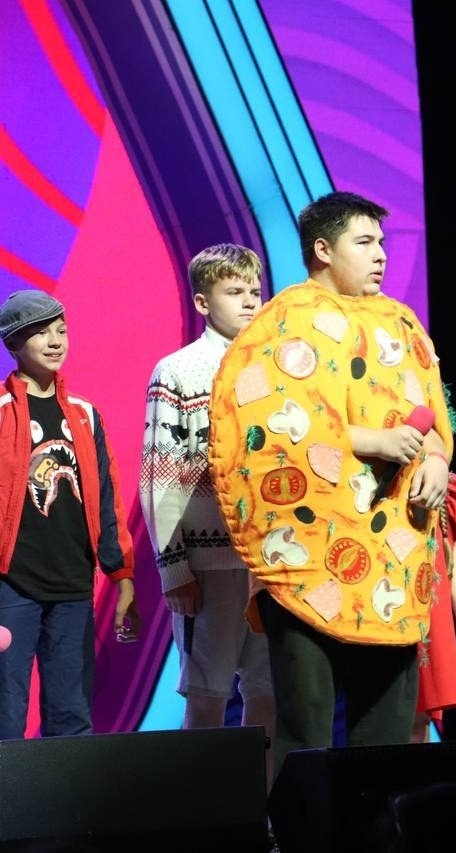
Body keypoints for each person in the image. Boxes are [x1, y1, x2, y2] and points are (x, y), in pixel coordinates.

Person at [206, 191, 455, 778]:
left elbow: (433, 414)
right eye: (364, 242)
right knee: (306, 729)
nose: (381, 255)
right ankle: (303, 824)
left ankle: (378, 825)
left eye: (382, 243)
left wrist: (437, 460)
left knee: (385, 733)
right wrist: (371, 440)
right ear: (322, 249)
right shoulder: (283, 322)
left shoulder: (402, 324)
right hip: (309, 557)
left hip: (392, 556)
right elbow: (265, 425)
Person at [138, 244, 275, 775]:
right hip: (208, 567)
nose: (249, 301)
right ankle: (204, 811)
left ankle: (264, 808)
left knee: (268, 694)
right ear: (201, 302)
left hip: (271, 564)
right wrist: (174, 568)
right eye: (234, 291)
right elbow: (160, 477)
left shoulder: (276, 366)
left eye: (254, 291)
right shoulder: (177, 371)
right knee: (206, 697)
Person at [0, 289, 139, 740]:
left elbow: (107, 498)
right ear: (13, 342)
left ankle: (65, 789)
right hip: (10, 585)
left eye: (61, 330)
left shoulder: (85, 415)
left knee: (71, 713)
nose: (56, 340)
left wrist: (121, 575)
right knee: (5, 711)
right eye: (41, 332)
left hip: (73, 585)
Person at [410, 473, 456, 743]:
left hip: (430, 616)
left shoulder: (441, 486)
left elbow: (453, 565)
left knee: (422, 716)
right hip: (393, 610)